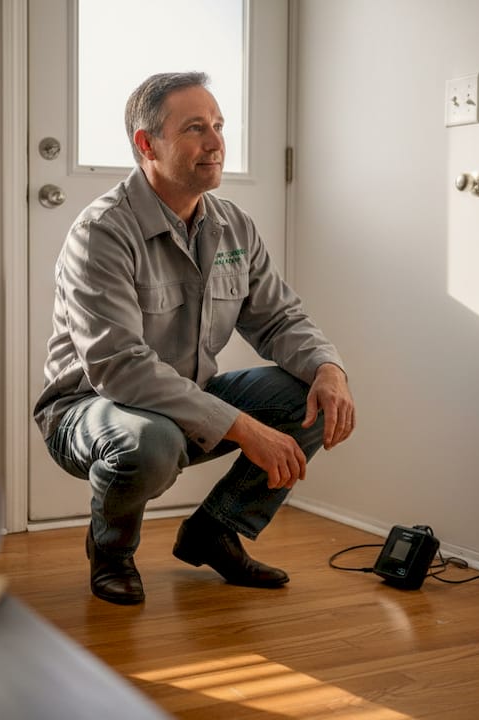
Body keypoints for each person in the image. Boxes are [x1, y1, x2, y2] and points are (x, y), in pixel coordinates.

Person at [34, 71, 356, 605]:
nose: (215, 143)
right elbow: (119, 366)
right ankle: (111, 551)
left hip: (185, 399)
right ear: (146, 144)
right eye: (194, 129)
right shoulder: (102, 233)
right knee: (149, 441)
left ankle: (215, 530)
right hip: (89, 407)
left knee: (311, 398)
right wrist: (241, 428)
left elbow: (279, 318)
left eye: (218, 126)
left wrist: (329, 369)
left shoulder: (234, 226)